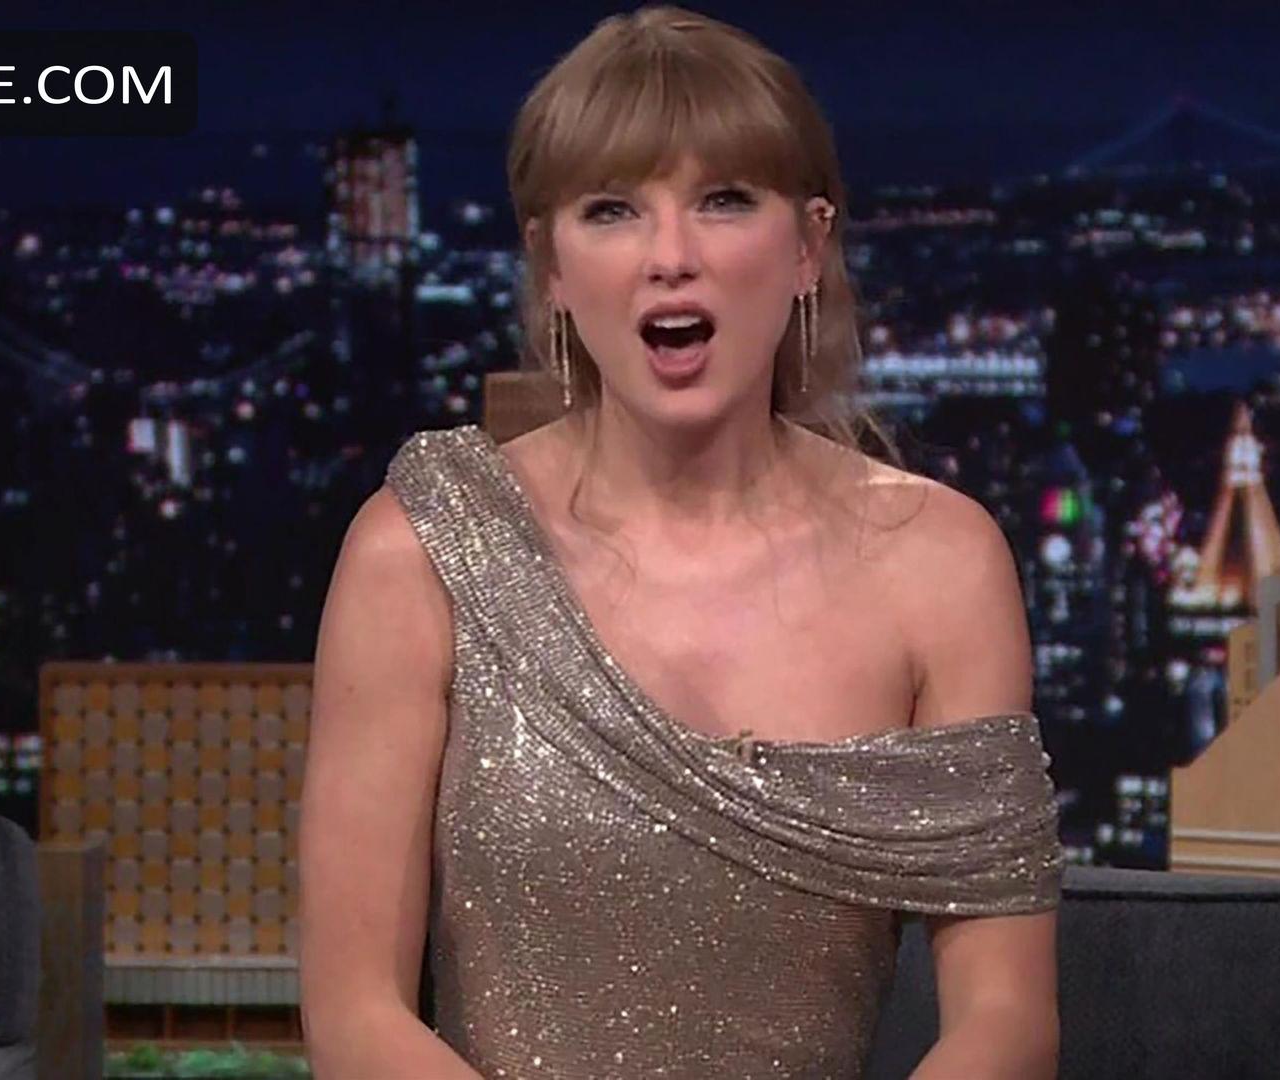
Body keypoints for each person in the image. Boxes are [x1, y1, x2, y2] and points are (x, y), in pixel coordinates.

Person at [298, 6, 1063, 1077]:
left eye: (724, 200)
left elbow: (1006, 1022)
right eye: (612, 210)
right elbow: (354, 1014)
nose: (670, 258)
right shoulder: (423, 549)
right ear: (551, 266)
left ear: (807, 246)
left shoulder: (939, 563)